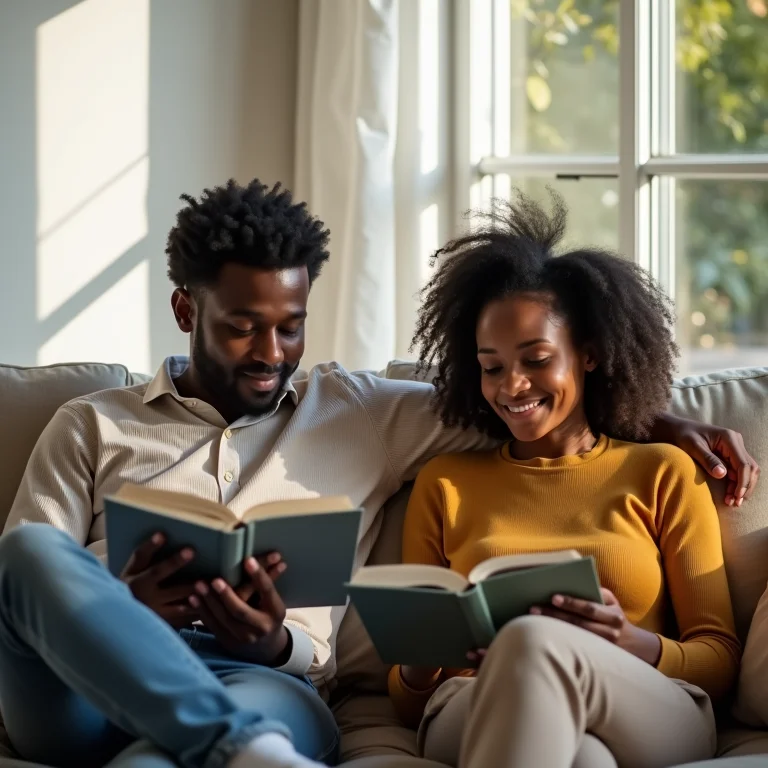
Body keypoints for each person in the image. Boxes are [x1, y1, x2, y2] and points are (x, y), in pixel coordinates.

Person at [0, 180, 757, 768]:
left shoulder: (358, 412)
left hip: (260, 677)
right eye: (242, 327)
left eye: (289, 326)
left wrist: (663, 420)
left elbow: (531, 406)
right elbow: (24, 596)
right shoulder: (90, 424)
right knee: (27, 553)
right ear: (185, 310)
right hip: (82, 684)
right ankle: (234, 747)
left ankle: (222, 745)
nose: (270, 352)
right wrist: (121, 608)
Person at [388, 191, 745, 768]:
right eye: (492, 366)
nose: (511, 386)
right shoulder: (445, 483)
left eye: (536, 360)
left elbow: (720, 656)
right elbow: (408, 703)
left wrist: (628, 640)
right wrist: (422, 659)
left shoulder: (662, 471)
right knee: (585, 759)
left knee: (533, 641)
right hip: (476, 702)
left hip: (644, 699)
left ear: (590, 355)